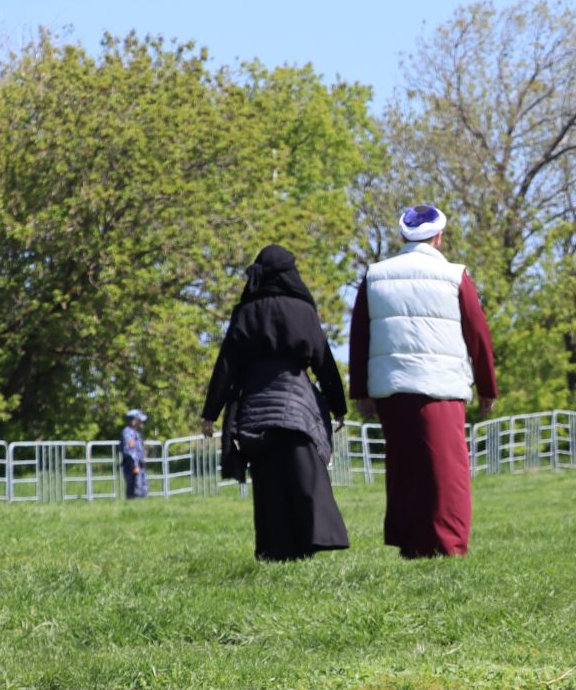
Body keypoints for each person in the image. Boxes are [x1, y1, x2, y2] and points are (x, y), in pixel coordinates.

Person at [348, 205, 499, 558]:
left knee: (404, 466)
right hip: (440, 386)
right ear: (439, 236)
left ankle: (411, 543)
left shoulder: (374, 275)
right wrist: (487, 387)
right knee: (448, 472)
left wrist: (361, 392)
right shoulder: (454, 275)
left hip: (391, 385)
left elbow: (359, 338)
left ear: (402, 236)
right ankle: (448, 547)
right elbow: (479, 335)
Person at [200, 245, 350, 561]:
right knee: (304, 475)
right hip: (299, 405)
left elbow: (227, 365)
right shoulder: (304, 311)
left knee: (268, 481)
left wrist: (210, 413)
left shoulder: (245, 313)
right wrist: (338, 405)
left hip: (255, 407)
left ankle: (275, 551)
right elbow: (324, 362)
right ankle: (312, 540)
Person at [119, 409, 149, 498]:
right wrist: (134, 466)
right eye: (140, 420)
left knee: (142, 491)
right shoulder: (127, 432)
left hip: (139, 465)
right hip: (132, 466)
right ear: (134, 420)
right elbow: (129, 451)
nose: (141, 423)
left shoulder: (136, 432)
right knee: (135, 492)